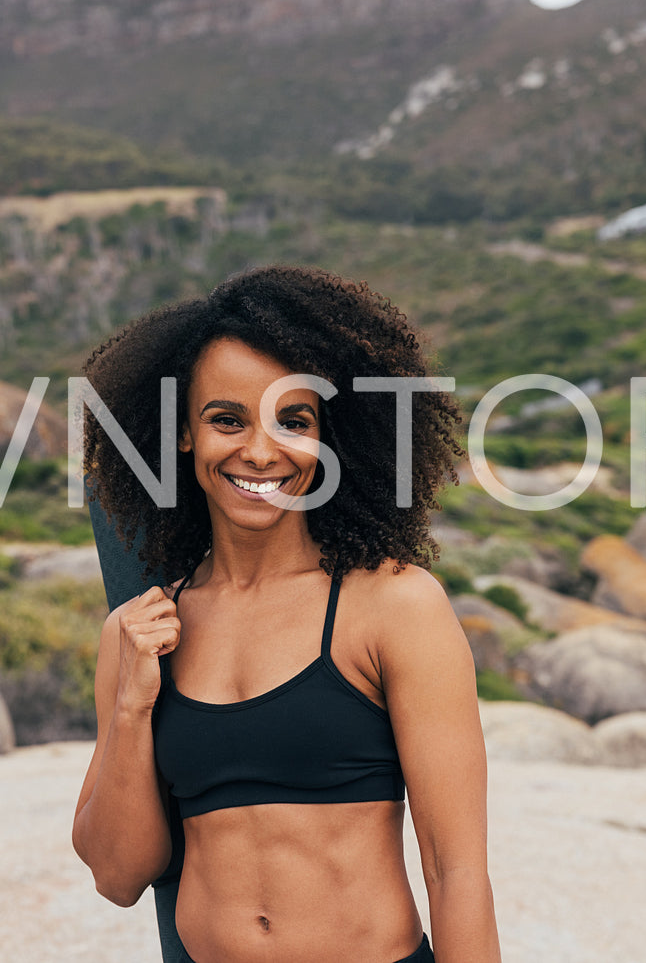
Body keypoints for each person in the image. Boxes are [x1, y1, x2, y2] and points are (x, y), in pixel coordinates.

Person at [72, 265, 500, 963]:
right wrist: (131, 706)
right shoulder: (142, 632)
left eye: (292, 421)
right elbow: (118, 875)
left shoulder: (391, 605)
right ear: (184, 433)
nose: (261, 451)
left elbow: (455, 873)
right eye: (226, 419)